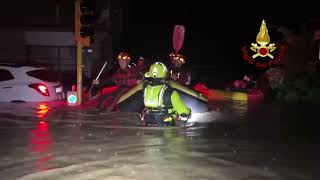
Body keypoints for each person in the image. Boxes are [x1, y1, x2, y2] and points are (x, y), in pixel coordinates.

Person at [140, 62, 191, 126]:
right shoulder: (170, 92)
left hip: (148, 124)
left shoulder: (145, 89)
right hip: (166, 126)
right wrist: (188, 111)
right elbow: (184, 113)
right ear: (164, 74)